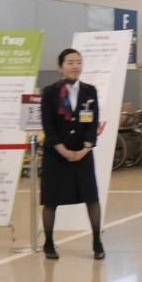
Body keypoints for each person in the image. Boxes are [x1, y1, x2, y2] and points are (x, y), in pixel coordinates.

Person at [39, 48, 104, 260]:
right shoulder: (50, 92)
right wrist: (63, 150)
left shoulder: (89, 91)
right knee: (51, 200)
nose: (75, 66)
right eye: (70, 62)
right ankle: (49, 243)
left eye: (78, 62)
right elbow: (48, 125)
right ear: (60, 67)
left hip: (82, 154)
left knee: (91, 198)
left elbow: (93, 123)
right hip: (56, 155)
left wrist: (86, 148)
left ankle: (97, 242)